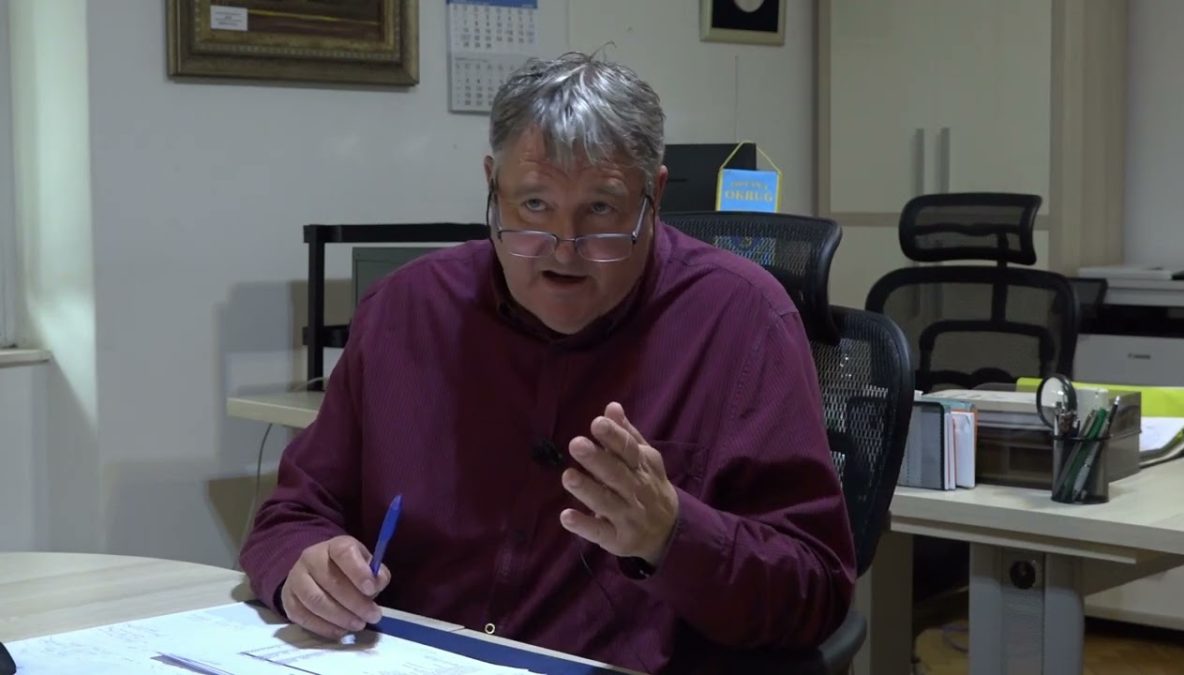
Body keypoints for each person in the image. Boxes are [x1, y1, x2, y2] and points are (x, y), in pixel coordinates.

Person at [240, 51, 855, 674]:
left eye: (601, 210)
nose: (564, 251)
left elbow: (817, 588)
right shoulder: (404, 310)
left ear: (656, 196)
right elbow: (293, 514)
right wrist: (305, 567)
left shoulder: (743, 321)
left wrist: (672, 534)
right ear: (492, 185)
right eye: (534, 206)